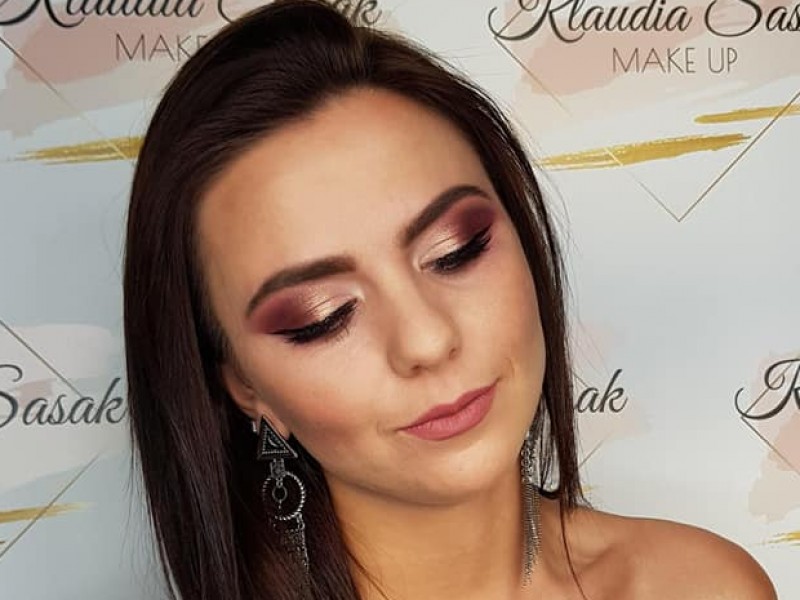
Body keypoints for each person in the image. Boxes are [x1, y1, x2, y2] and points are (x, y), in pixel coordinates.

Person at [122, 1, 778, 599]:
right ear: (244, 386)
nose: (427, 340)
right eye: (323, 317)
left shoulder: (703, 587)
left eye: (456, 252)